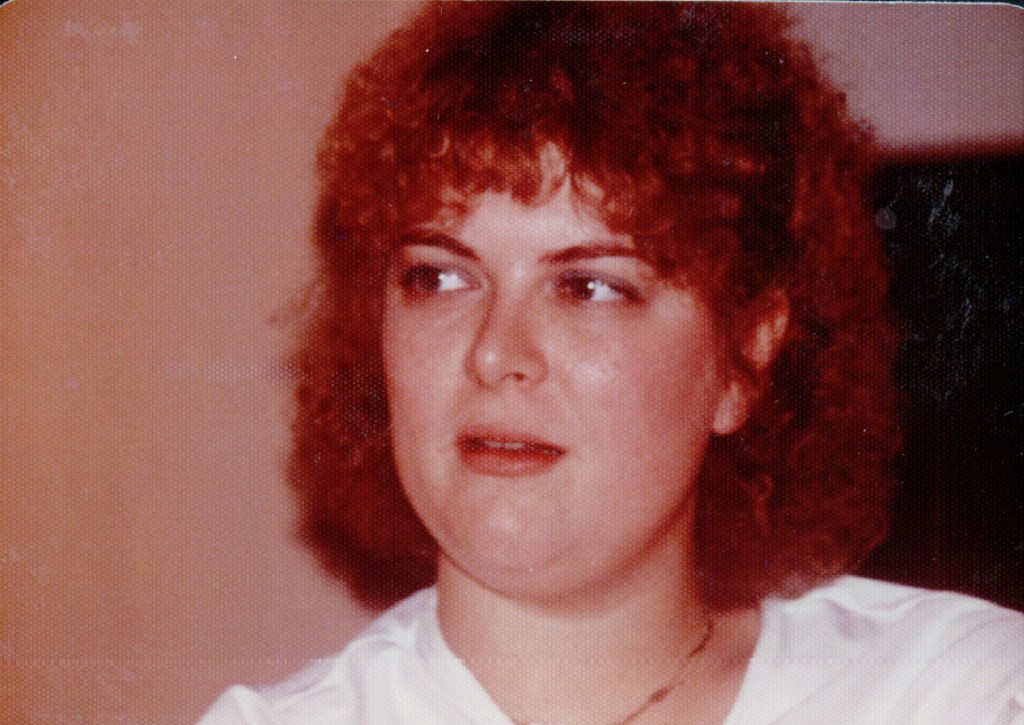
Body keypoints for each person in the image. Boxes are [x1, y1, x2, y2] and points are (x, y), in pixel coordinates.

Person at [199, 3, 1024, 723]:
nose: (495, 353)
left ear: (744, 356)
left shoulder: (959, 693)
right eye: (439, 277)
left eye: (589, 287)